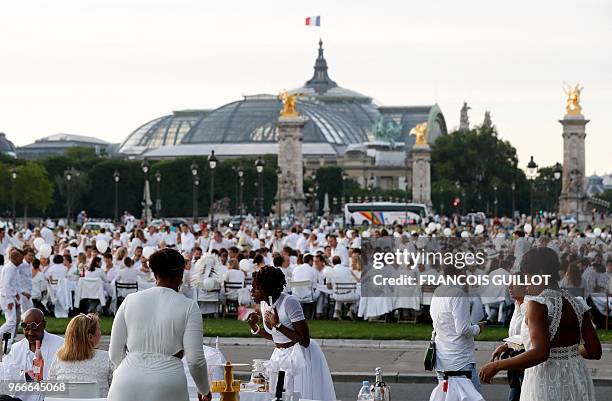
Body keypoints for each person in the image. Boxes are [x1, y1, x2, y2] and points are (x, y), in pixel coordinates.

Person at [480, 247, 602, 401]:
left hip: (547, 381)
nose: (526, 281)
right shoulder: (576, 303)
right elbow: (595, 351)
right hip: (576, 379)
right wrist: (567, 353)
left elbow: (540, 353)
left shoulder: (538, 304)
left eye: (527, 275)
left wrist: (497, 366)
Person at [108, 248, 211, 401]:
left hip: (125, 381)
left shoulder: (130, 300)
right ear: (180, 275)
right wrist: (204, 390)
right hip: (168, 382)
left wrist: (130, 369)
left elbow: (114, 354)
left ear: (155, 274)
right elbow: (195, 360)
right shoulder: (189, 306)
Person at [246, 265, 336, 401]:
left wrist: (277, 324)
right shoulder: (264, 304)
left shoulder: (290, 303)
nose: (252, 291)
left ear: (268, 288)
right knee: (276, 396)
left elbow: (305, 340)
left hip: (299, 357)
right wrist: (255, 328)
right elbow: (277, 337)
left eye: (256, 287)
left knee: (297, 395)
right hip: (279, 356)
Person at [430, 265, 486, 393]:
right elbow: (463, 329)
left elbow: (436, 323)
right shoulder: (458, 293)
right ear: (461, 272)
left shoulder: (438, 291)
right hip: (460, 360)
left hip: (442, 358)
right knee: (474, 396)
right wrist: (478, 327)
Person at [49, 314, 113, 396]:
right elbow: (116, 388)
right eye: (99, 330)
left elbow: (52, 390)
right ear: (90, 337)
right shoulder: (106, 358)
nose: (100, 333)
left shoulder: (59, 357)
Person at [489, 277, 526, 401]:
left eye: (513, 284)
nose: (509, 287)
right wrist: (504, 346)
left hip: (525, 359)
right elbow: (517, 334)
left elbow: (527, 336)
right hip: (515, 359)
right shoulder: (517, 305)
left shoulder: (530, 307)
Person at [2, 308, 64, 379]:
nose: (30, 333)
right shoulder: (16, 348)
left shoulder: (60, 345)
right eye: (26, 328)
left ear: (44, 325)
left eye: (34, 327)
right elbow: (9, 376)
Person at [0, 248, 22, 346]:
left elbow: (14, 284)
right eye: (20, 258)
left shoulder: (13, 268)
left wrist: (16, 296)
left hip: (10, 297)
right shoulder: (10, 268)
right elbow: (6, 285)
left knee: (13, 322)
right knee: (11, 321)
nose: (22, 260)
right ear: (15, 258)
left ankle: (8, 343)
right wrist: (9, 300)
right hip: (6, 297)